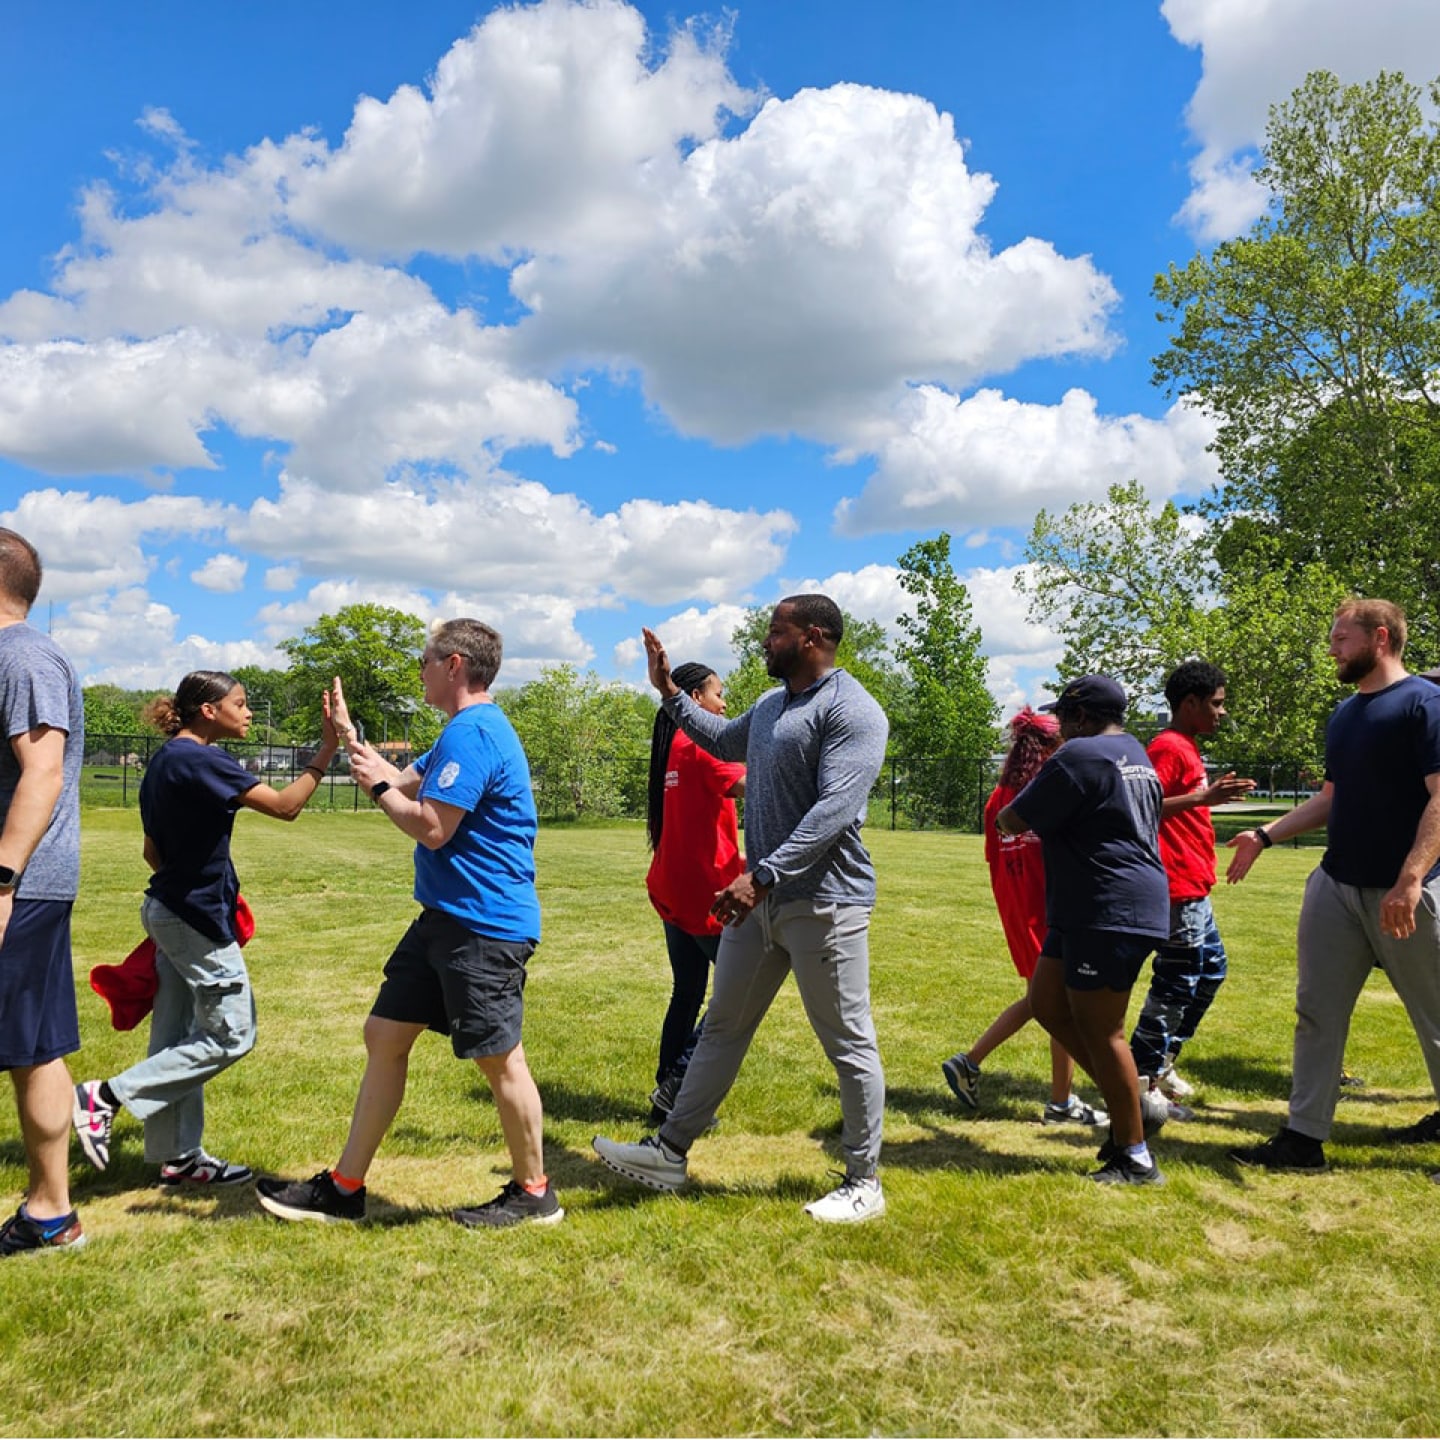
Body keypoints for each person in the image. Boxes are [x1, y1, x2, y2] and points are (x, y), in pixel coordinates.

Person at [593, 595, 890, 1223]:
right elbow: (720, 735)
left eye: (775, 631)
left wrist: (763, 874)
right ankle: (669, 1152)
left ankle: (864, 1180)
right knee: (724, 1026)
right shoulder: (773, 706)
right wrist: (670, 694)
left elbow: (835, 810)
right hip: (762, 901)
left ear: (812, 637)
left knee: (847, 1042)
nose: (764, 640)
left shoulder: (854, 709)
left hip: (825, 901)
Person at [257, 619, 562, 1228]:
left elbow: (430, 825)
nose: (418, 671)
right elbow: (398, 779)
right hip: (445, 921)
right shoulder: (459, 731)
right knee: (385, 1035)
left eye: (424, 661)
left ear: (453, 665)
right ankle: (344, 1189)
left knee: (501, 1059)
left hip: (484, 926)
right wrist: (347, 737)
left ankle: (534, 1194)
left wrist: (375, 790)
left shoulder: (476, 732)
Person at [72, 670, 341, 1186]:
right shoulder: (201, 758)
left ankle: (180, 1156)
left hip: (170, 909)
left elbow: (152, 852)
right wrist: (325, 750)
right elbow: (287, 807)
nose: (248, 713)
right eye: (240, 704)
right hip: (192, 918)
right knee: (232, 1033)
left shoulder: (166, 760)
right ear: (208, 711)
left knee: (175, 1037)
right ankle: (105, 1096)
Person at [1227, 599, 1440, 1172]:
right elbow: (1330, 799)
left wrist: (1412, 877)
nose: (1331, 648)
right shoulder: (1345, 714)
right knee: (1316, 1010)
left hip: (1408, 894)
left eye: (1341, 638)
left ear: (1379, 637)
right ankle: (1303, 1138)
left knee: (1436, 1015)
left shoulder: (1426, 703)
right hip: (1337, 886)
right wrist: (1264, 835)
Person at [996, 675, 1171, 1185]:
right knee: (1048, 1002)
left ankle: (1135, 1155)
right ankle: (1132, 1108)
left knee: (1102, 1031)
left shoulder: (1077, 757)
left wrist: (1020, 815)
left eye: (1067, 719)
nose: (1061, 730)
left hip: (1108, 907)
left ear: (1085, 718)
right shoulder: (1133, 750)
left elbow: (1013, 818)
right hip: (1090, 906)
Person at [941, 707, 1107, 1128]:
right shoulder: (1051, 791)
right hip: (1049, 909)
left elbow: (994, 858)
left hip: (1017, 907)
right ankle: (1058, 1102)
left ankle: (973, 1064)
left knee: (1045, 999)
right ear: (1053, 747)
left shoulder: (999, 798)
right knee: (1059, 1004)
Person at [0, 528, 87, 1256]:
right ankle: (50, 1211)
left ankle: (52, 1211)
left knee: (31, 1046)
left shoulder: (23, 655)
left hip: (16, 888)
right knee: (34, 1047)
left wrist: (2, 878)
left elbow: (43, 772)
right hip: (21, 885)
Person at [1128, 662, 1255, 1111]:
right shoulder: (1168, 747)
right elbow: (1142, 806)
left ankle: (1158, 1063)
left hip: (1195, 886)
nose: (1222, 712)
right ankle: (1140, 1081)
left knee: (1211, 970)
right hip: (1176, 889)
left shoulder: (1188, 746)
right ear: (1190, 704)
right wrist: (1205, 798)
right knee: (1176, 984)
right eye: (1216, 704)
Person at [643, 661, 745, 1123]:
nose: (724, 705)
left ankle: (668, 1087)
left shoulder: (674, 747)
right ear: (694, 700)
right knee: (737, 994)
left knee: (686, 992)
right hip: (707, 895)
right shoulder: (703, 746)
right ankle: (681, 1081)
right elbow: (749, 784)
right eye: (718, 695)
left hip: (673, 890)